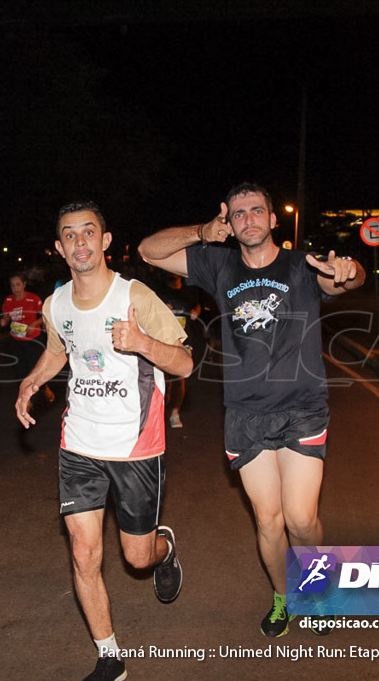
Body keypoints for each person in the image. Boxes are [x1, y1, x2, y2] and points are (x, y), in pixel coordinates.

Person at [138, 182, 365, 638]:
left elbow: (347, 278)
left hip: (301, 407)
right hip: (245, 412)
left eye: (256, 211)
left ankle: (316, 592)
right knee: (268, 519)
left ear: (272, 218)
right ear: (230, 219)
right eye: (239, 214)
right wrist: (204, 230)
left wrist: (348, 268)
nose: (248, 219)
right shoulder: (218, 263)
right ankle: (283, 598)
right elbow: (149, 250)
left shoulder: (300, 264)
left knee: (301, 518)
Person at [16, 201, 192, 681]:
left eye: (88, 232)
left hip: (136, 447)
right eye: (69, 235)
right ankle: (109, 656)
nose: (80, 242)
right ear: (59, 248)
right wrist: (31, 381)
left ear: (106, 241)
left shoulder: (136, 296)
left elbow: (184, 364)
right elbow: (58, 352)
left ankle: (163, 548)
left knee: (136, 558)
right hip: (79, 444)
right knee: (83, 552)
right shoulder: (55, 305)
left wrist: (142, 343)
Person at [154, 272, 203, 428]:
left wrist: (196, 311)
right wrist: (162, 309)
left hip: (184, 341)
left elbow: (197, 305)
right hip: (163, 339)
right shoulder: (160, 290)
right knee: (162, 377)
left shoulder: (189, 291)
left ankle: (174, 413)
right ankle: (159, 411)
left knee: (179, 379)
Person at [0, 271, 54, 402]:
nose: (15, 288)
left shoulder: (33, 299)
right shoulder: (8, 300)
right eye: (13, 286)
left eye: (18, 285)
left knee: (34, 367)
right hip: (16, 340)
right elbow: (6, 315)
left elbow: (44, 316)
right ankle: (25, 398)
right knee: (20, 370)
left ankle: (43, 387)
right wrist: (4, 320)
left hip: (33, 340)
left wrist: (35, 323)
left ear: (24, 284)